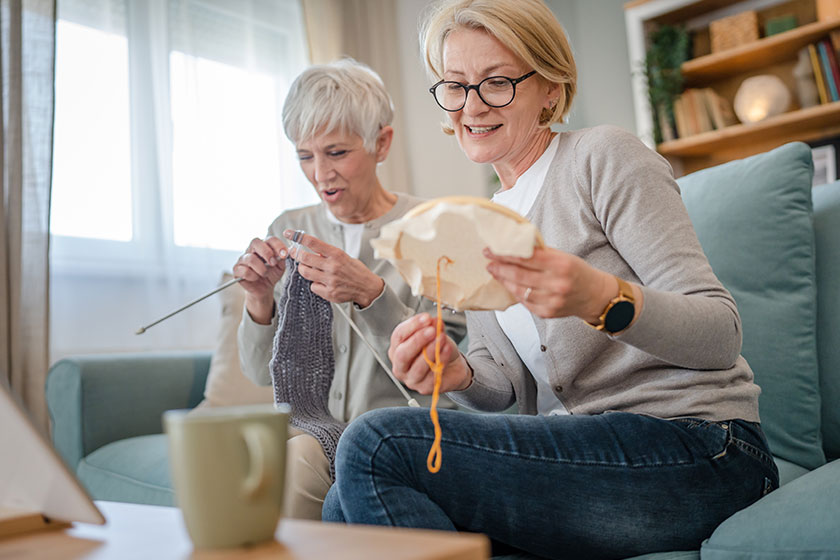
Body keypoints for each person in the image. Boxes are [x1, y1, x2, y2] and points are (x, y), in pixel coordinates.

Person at [322, 2, 779, 558]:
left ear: (551, 88)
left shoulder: (601, 158)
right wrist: (458, 371)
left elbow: (721, 333)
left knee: (374, 443)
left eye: (496, 83)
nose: (472, 106)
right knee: (339, 505)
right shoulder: (479, 224)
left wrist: (603, 299)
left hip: (701, 449)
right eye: (456, 85)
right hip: (582, 456)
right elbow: (503, 389)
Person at [233, 58, 466, 522]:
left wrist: (372, 294)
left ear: (381, 143)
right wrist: (258, 301)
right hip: (307, 431)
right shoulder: (289, 229)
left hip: (395, 438)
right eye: (305, 155)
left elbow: (448, 369)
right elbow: (263, 373)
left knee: (293, 470)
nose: (320, 174)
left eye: (336, 153)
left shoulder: (436, 230)